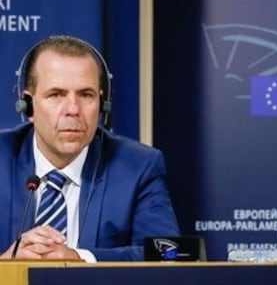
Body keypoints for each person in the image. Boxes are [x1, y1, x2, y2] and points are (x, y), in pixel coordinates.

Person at [0, 35, 180, 261]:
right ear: (28, 106)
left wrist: (80, 258)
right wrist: (5, 264)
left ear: (103, 105)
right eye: (56, 95)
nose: (73, 110)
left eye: (86, 95)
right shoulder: (3, 157)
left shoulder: (138, 167)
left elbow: (169, 253)